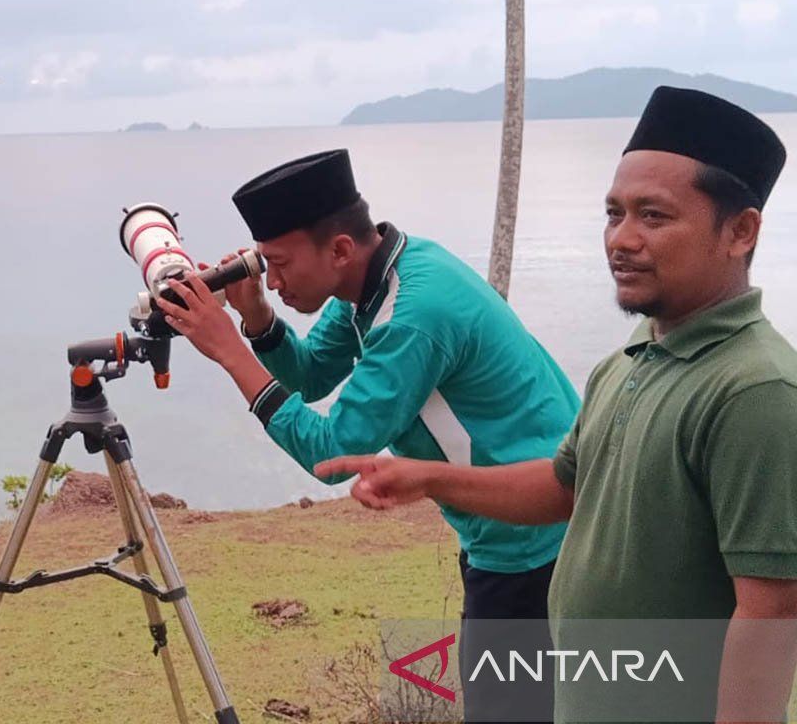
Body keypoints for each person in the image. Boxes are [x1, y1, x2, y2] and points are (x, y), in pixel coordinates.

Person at [315, 87, 797, 722]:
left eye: (653, 216)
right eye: (613, 213)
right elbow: (566, 486)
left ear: (740, 231)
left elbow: (772, 614)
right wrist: (430, 478)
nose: (621, 240)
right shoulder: (634, 353)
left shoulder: (755, 391)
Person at [156, 147, 579, 721]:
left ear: (339, 249)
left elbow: (336, 451)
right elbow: (308, 375)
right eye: (264, 264)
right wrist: (256, 320)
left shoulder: (412, 315)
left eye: (279, 264)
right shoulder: (380, 279)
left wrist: (231, 352)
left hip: (532, 543)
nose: (273, 279)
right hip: (514, 530)